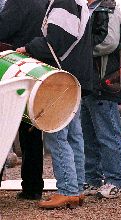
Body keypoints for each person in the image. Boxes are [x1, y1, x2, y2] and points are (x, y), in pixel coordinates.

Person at [15, 0, 93, 208]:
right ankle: (77, 190)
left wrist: (28, 48)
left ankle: (67, 189)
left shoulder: (63, 3)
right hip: (74, 77)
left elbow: (55, 42)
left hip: (60, 78)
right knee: (74, 136)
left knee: (57, 135)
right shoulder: (77, 3)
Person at [0, 0, 49, 200]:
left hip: (13, 69)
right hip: (37, 70)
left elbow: (3, 29)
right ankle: (33, 186)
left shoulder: (17, 2)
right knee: (31, 131)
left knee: (3, 129)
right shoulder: (46, 2)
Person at [81, 0, 121, 199]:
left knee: (108, 132)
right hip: (90, 81)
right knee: (89, 133)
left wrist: (79, 51)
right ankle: (92, 179)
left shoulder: (108, 8)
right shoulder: (91, 8)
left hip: (104, 80)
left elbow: (109, 42)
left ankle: (115, 181)